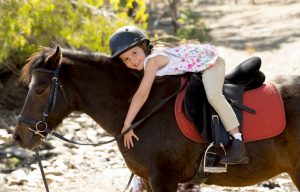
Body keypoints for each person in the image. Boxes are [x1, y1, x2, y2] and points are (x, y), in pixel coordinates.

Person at [109, 25, 249, 165]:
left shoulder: (152, 62)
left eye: (134, 53)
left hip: (211, 63)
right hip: (197, 67)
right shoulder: (148, 60)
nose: (132, 61)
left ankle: (238, 141)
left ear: (144, 47)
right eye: (126, 59)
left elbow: (142, 94)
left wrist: (127, 123)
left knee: (213, 95)